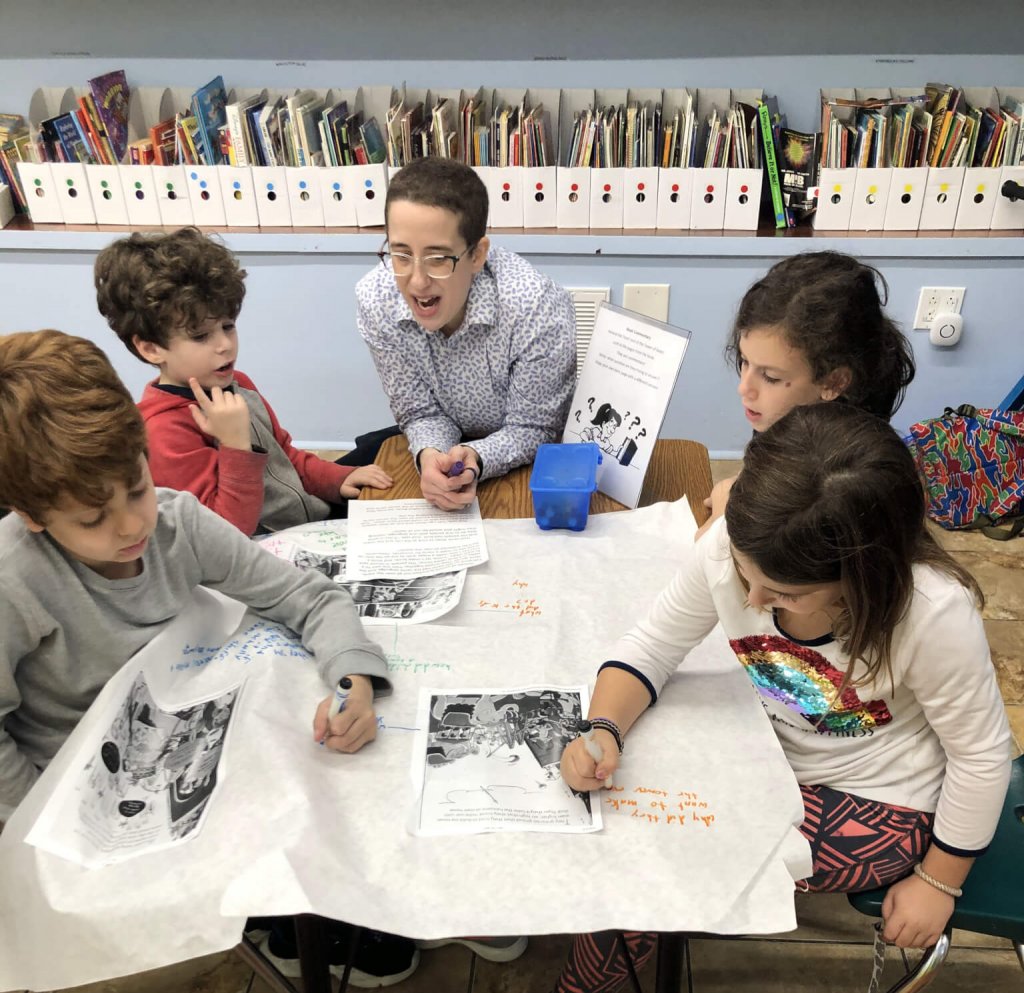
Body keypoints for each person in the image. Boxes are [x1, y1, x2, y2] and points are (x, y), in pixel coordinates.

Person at [0, 330, 418, 985]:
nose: (131, 526)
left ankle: (295, 929)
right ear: (31, 515)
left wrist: (355, 682)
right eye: (91, 518)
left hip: (189, 758)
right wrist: (43, 834)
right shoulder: (11, 581)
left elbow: (306, 596)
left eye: (136, 486)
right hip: (77, 810)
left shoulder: (176, 522)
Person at [556, 403, 1012, 993]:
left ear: (867, 576)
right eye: (745, 574)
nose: (750, 599)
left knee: (650, 867)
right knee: (629, 836)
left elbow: (981, 758)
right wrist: (603, 729)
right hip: (769, 753)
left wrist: (939, 881)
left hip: (883, 797)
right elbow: (650, 647)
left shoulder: (933, 614)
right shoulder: (731, 548)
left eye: (785, 594)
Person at [95, 227, 392, 536]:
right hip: (264, 550)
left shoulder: (238, 383)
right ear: (150, 348)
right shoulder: (164, 431)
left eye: (228, 326)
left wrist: (337, 478)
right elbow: (225, 534)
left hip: (309, 520)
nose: (224, 344)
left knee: (389, 444)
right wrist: (234, 445)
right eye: (200, 336)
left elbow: (287, 458)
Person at [356, 156, 577, 511]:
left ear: (477, 255)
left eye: (438, 258)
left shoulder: (536, 307)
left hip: (533, 466)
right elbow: (419, 413)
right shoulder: (375, 300)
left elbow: (535, 427)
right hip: (450, 455)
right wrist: (430, 455)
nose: (416, 280)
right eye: (401, 254)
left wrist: (475, 456)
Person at [699, 251, 916, 534]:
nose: (744, 388)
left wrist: (720, 519)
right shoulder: (787, 413)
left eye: (771, 377)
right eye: (744, 361)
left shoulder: (839, 487)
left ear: (833, 383)